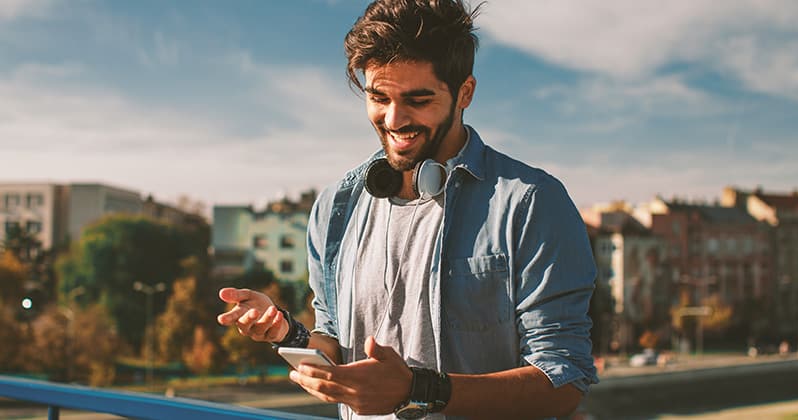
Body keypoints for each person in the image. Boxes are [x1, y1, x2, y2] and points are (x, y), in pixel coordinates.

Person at [217, 0, 598, 418]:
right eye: (378, 97)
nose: (395, 119)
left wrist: (420, 388)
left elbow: (564, 380)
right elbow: (336, 344)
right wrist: (286, 332)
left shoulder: (531, 203)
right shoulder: (334, 209)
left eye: (418, 99)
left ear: (464, 93)